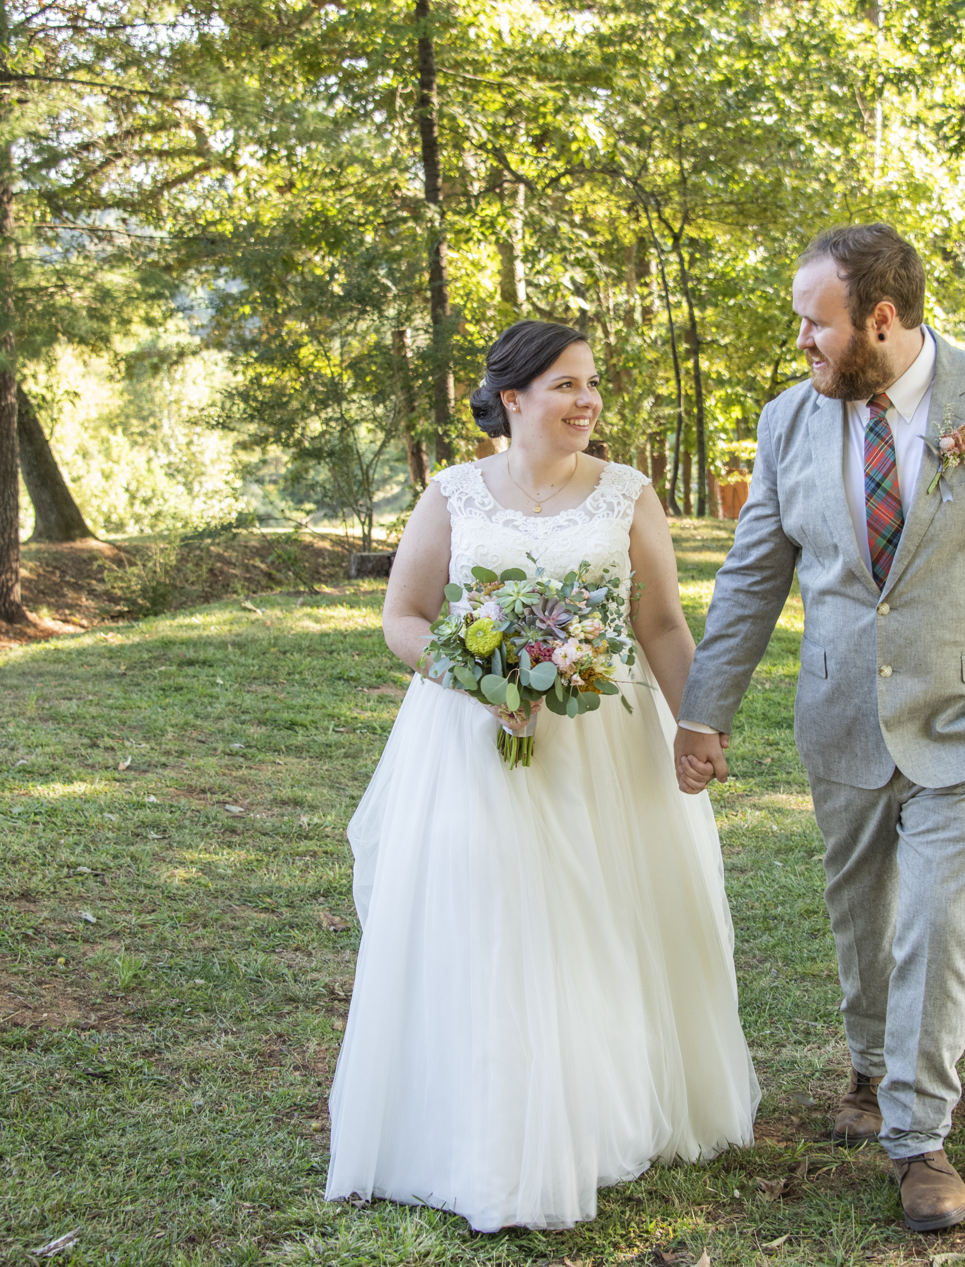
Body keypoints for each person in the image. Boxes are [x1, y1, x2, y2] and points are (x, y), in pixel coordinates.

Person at [674, 224, 965, 1233]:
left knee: (936, 925)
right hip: (842, 718)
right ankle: (871, 1067)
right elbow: (750, 579)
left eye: (813, 323)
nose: (801, 343)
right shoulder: (789, 420)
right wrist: (705, 710)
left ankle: (917, 1137)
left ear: (879, 318)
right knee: (863, 918)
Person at [325, 320, 759, 1231]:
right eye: (566, 385)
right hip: (473, 741)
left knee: (602, 916)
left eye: (592, 384)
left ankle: (601, 1117)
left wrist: (697, 724)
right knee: (493, 920)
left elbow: (664, 625)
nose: (587, 401)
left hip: (606, 744)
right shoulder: (451, 495)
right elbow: (404, 616)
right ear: (512, 399)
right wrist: (475, 677)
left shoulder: (626, 493)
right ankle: (487, 1125)